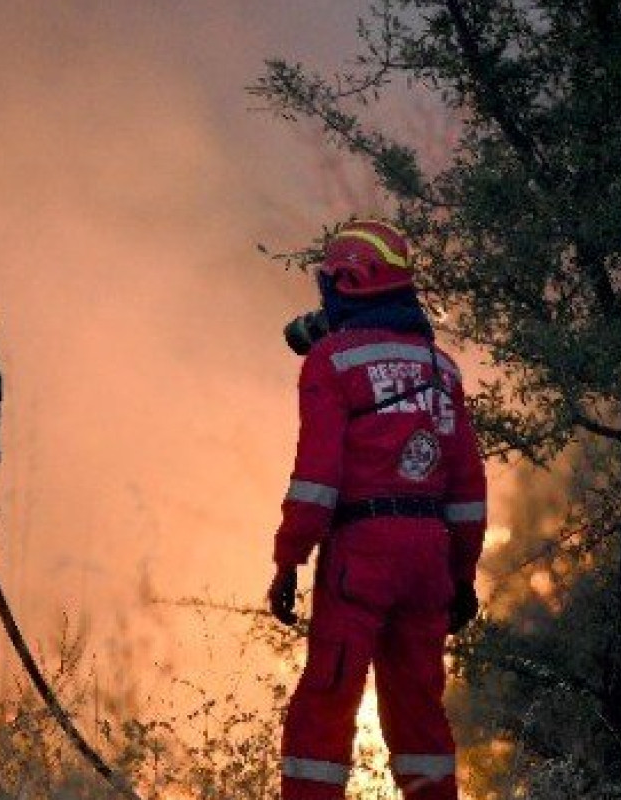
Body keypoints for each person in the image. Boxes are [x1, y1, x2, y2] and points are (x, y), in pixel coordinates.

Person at [269, 220, 488, 800]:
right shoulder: (443, 369)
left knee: (326, 705)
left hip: (361, 557)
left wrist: (288, 560)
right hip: (430, 559)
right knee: (419, 716)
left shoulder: (331, 363)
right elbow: (468, 493)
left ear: (346, 281)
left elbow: (316, 482)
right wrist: (461, 577)